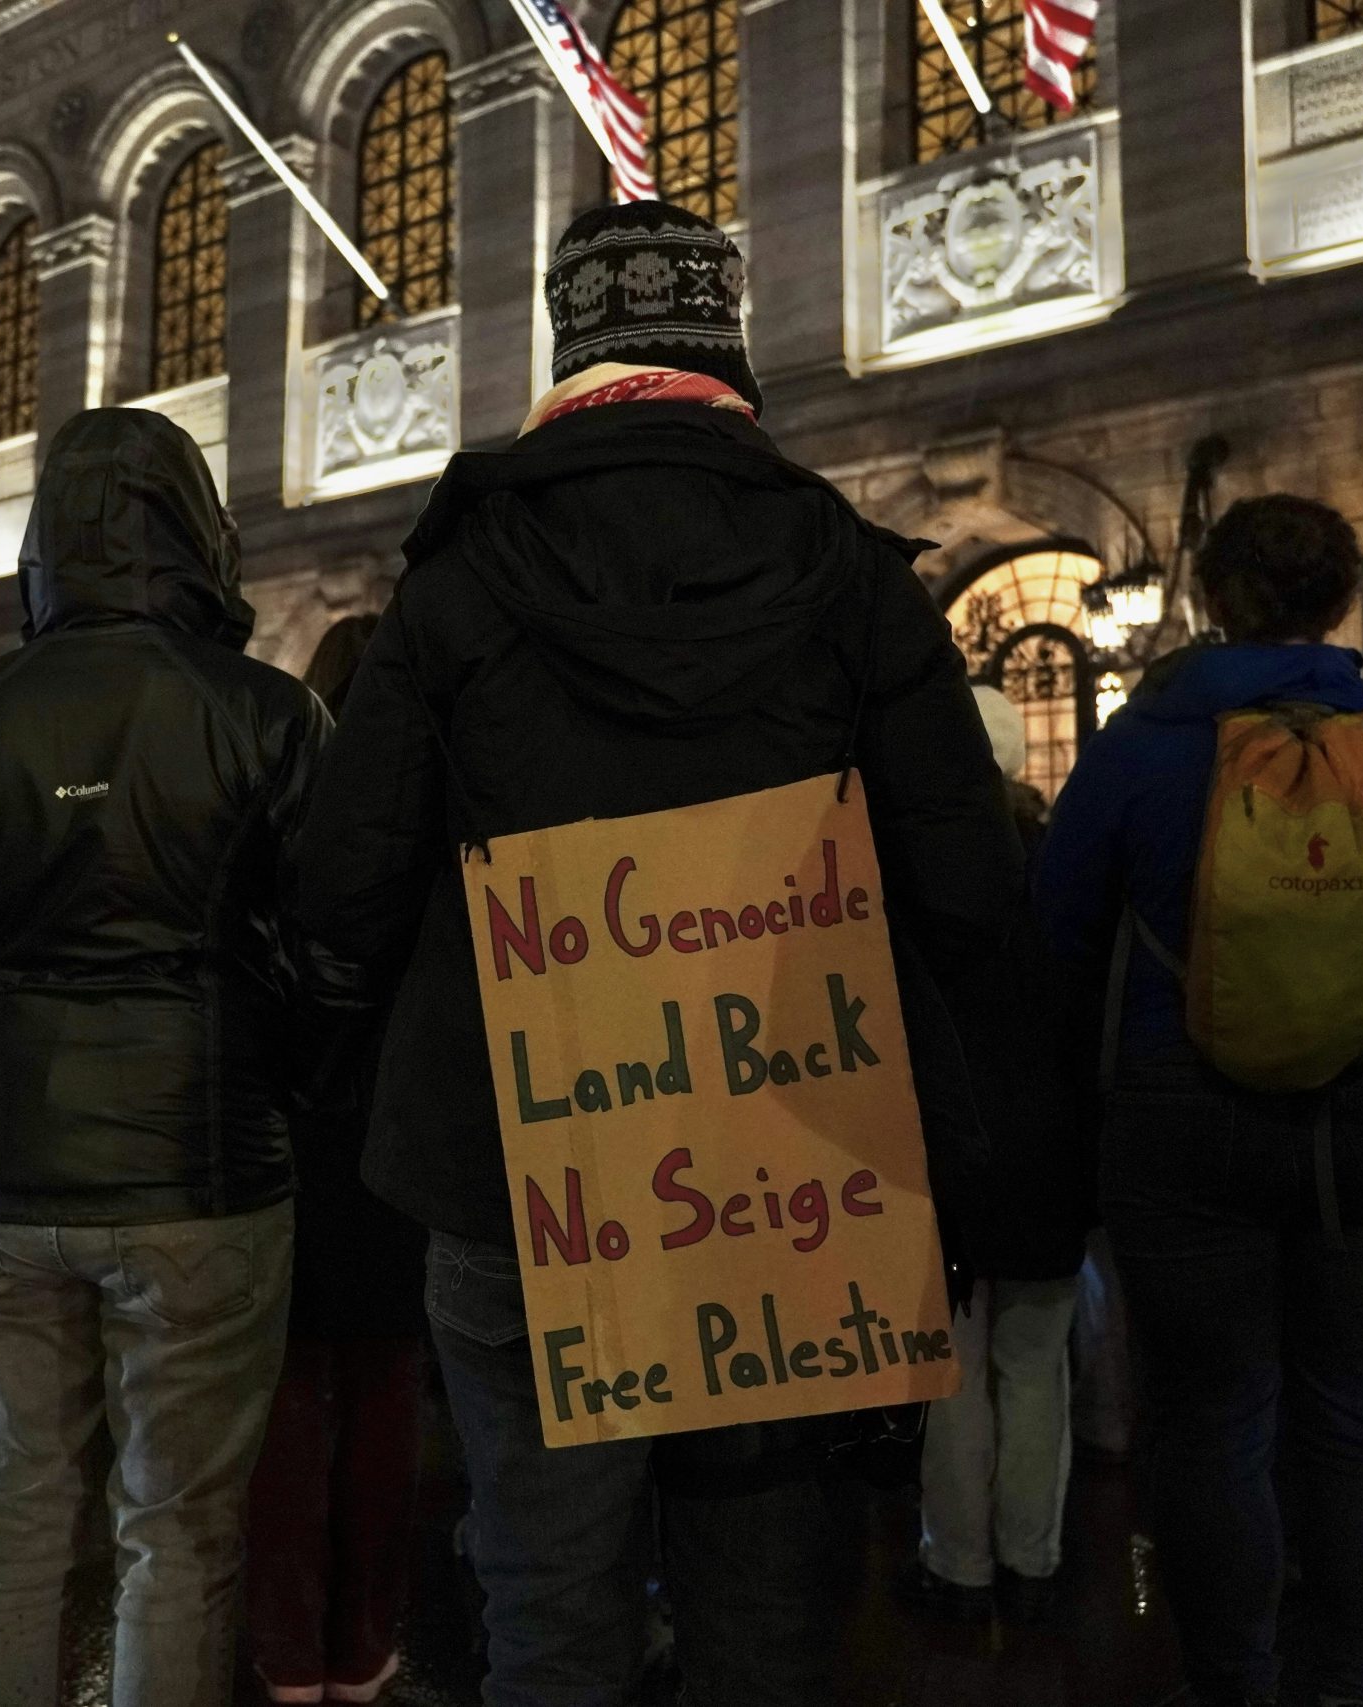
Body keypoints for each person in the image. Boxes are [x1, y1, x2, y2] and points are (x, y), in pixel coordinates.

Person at [291, 201, 1024, 1707]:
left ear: (571, 354)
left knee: (550, 1609)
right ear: (724, 352)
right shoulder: (850, 572)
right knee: (762, 1616)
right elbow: (970, 887)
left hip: (518, 1169)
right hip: (787, 1159)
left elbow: (340, 894)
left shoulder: (454, 585)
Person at [0, 408, 329, 1707]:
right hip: (203, 1165)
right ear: (197, 530)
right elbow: (339, 949)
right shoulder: (267, 713)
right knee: (178, 1528)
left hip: (2, 1172)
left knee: (12, 1518)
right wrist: (258, 1056)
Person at [1036, 494, 1363, 1707]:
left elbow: (1058, 928)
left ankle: (1232, 1678)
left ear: (1212, 601)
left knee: (1211, 1419)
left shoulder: (1136, 750)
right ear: (1340, 601)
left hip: (1178, 1117)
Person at [246, 613, 428, 1707]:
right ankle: (361, 1644)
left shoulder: (284, 802)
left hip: (291, 1131)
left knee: (289, 1396)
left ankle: (287, 1648)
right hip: (401, 1128)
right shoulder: (434, 797)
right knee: (384, 1393)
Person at [903, 687, 1091, 1625]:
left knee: (950, 1371)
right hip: (1048, 1150)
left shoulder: (912, 869)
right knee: (1034, 1364)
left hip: (941, 1152)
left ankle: (959, 1558)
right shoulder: (1062, 868)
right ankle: (1032, 1554)